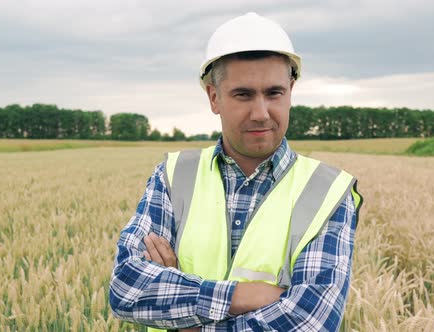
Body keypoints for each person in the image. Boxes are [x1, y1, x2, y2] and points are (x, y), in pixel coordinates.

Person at [109, 12, 362, 332]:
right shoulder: (173, 177)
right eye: (243, 95)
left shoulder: (328, 192)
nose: (260, 113)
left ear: (291, 91)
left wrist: (186, 319)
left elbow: (310, 321)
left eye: (274, 93)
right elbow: (127, 288)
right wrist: (242, 295)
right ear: (214, 97)